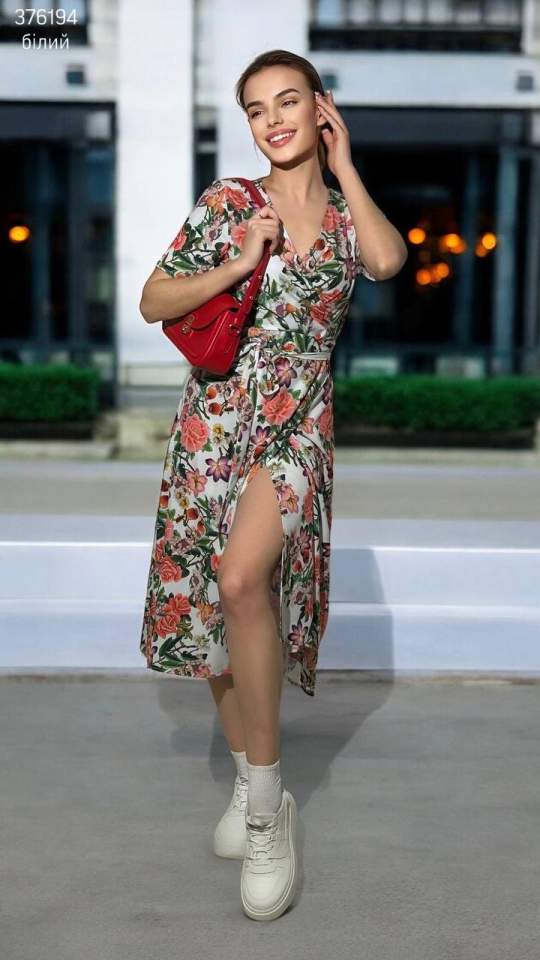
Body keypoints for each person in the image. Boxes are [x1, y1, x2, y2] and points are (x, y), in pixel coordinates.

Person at [139, 49, 407, 921]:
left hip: (297, 421)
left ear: (320, 108)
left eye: (289, 102)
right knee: (216, 608)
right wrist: (236, 261)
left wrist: (346, 162)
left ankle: (265, 814)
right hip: (215, 420)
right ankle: (256, 780)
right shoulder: (230, 202)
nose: (273, 121)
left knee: (241, 578)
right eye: (257, 109)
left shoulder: (345, 215)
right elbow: (153, 300)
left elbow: (387, 260)